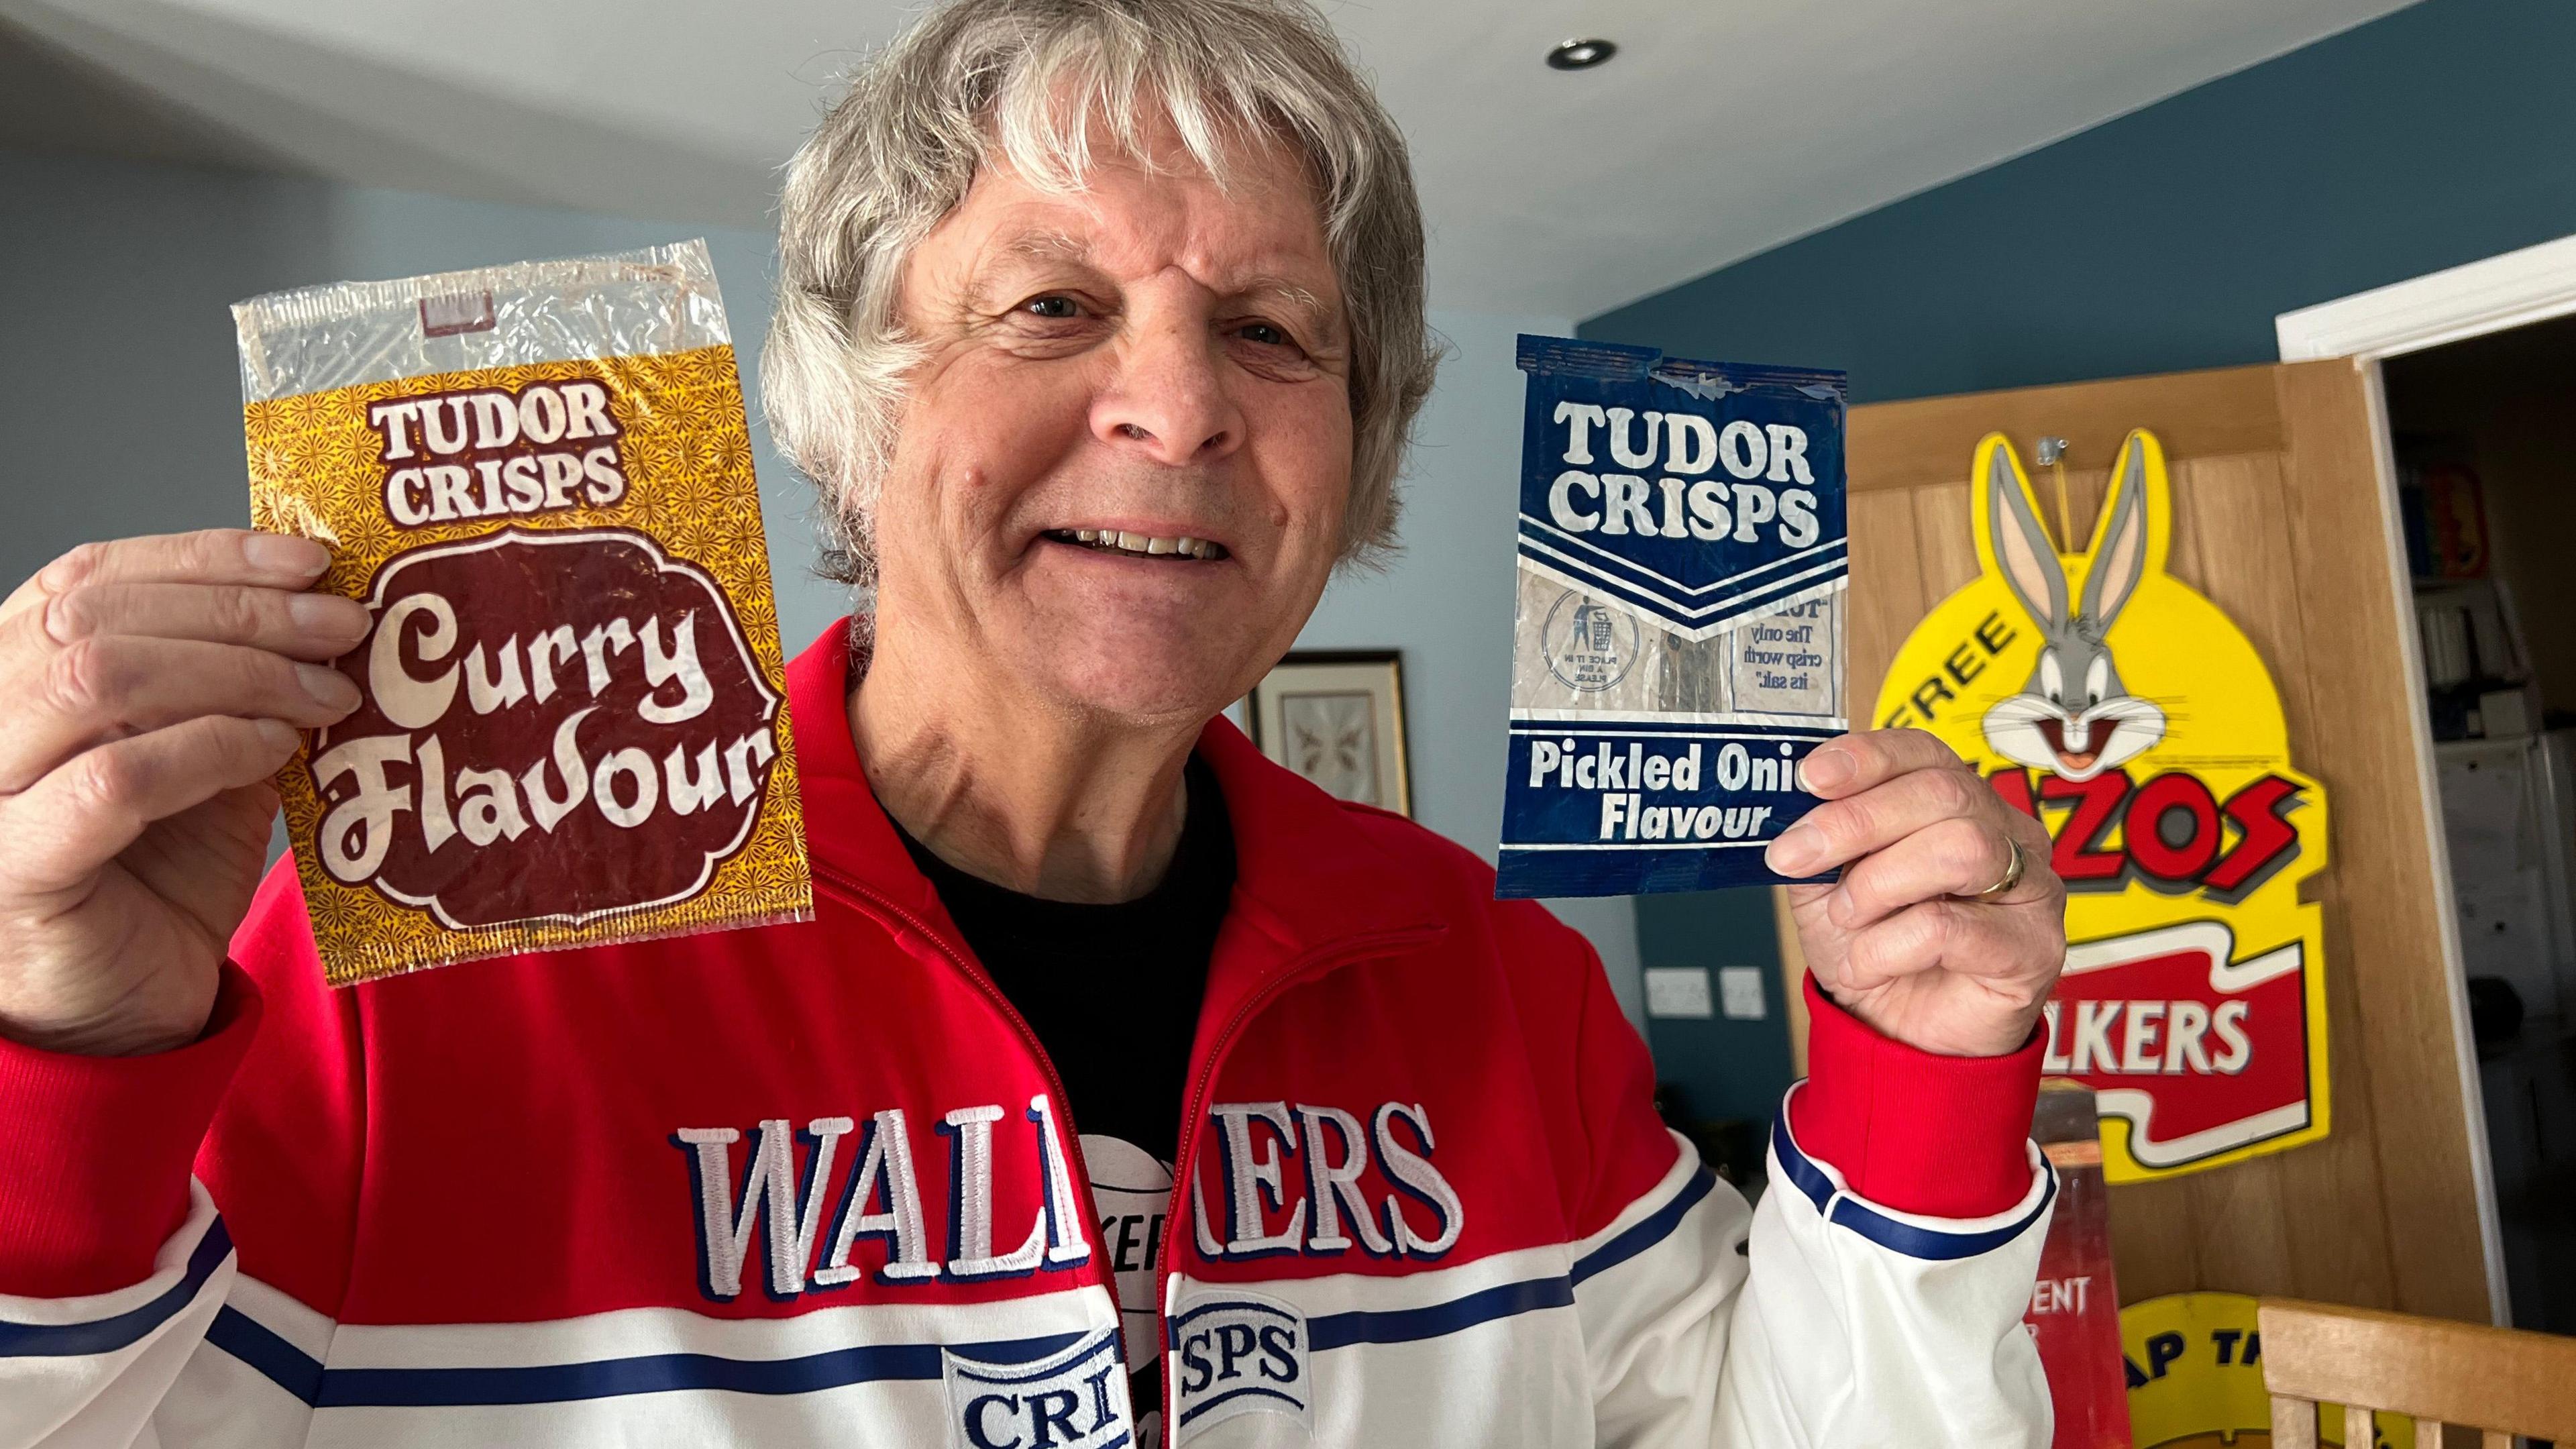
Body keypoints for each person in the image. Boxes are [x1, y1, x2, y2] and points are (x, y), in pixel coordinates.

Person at [0, 0, 2069, 1443]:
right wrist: (57, 1074)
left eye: (1272, 331)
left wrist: (1921, 1077)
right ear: (849, 409)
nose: (1179, 408)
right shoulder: (433, 970)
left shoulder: (1498, 976)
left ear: (1352, 459)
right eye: (1050, 308)